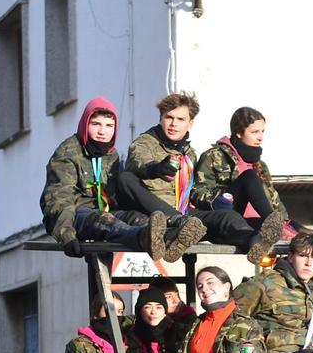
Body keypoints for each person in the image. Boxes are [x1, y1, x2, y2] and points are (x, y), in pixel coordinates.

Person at [192, 106, 313, 266]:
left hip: (258, 222)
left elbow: (272, 197)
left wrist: (286, 222)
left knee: (295, 227)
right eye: (255, 132)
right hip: (229, 215)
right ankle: (278, 225)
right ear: (238, 132)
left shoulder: (259, 164)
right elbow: (198, 193)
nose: (260, 137)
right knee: (248, 177)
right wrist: (221, 199)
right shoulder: (214, 155)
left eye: (263, 131)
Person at [121, 92, 285, 264]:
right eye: (169, 117)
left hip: (186, 214)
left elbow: (195, 193)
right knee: (125, 178)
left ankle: (255, 241)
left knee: (227, 218)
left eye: (180, 119)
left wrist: (217, 202)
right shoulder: (145, 142)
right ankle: (176, 228)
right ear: (161, 118)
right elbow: (137, 160)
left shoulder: (189, 153)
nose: (173, 124)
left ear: (190, 123)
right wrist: (156, 168)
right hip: (157, 215)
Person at [40, 97, 205, 262]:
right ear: (85, 124)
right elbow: (58, 197)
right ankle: (143, 237)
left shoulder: (111, 154)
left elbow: (114, 197)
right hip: (77, 216)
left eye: (109, 126)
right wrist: (66, 235)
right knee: (104, 220)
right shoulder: (68, 152)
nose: (102, 132)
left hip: (107, 213)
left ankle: (170, 237)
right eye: (96, 124)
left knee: (137, 218)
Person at [122, 286, 186, 353]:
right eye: (147, 307)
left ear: (164, 312)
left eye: (159, 307)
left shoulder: (179, 333)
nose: (153, 312)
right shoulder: (129, 338)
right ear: (139, 311)